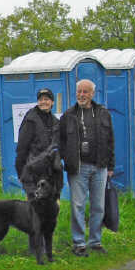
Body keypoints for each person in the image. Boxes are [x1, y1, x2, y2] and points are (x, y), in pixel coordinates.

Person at [58, 79, 115, 256]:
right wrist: (67, 160)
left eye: (85, 92)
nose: (81, 95)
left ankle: (95, 242)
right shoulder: (68, 115)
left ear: (92, 94)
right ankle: (79, 243)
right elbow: (60, 141)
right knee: (78, 206)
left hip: (100, 167)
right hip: (78, 168)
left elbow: (110, 140)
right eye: (79, 91)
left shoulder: (103, 113)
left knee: (98, 206)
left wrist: (110, 166)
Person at [15, 88, 61, 185]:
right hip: (33, 171)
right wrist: (20, 171)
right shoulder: (30, 120)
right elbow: (22, 147)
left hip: (51, 172)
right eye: (40, 100)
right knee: (36, 195)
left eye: (46, 99)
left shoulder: (55, 122)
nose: (43, 102)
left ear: (52, 102)